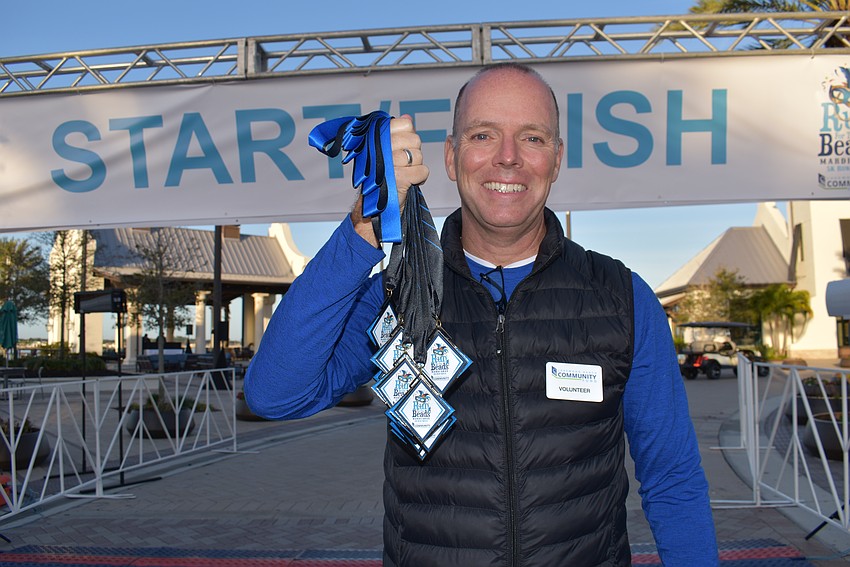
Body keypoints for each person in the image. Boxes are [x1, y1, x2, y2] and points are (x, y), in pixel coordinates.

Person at [245, 63, 719, 566]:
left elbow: (673, 479)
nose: (508, 157)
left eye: (532, 138)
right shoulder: (397, 294)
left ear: (557, 159)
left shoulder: (622, 297)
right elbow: (276, 394)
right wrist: (364, 229)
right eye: (483, 135)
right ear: (451, 157)